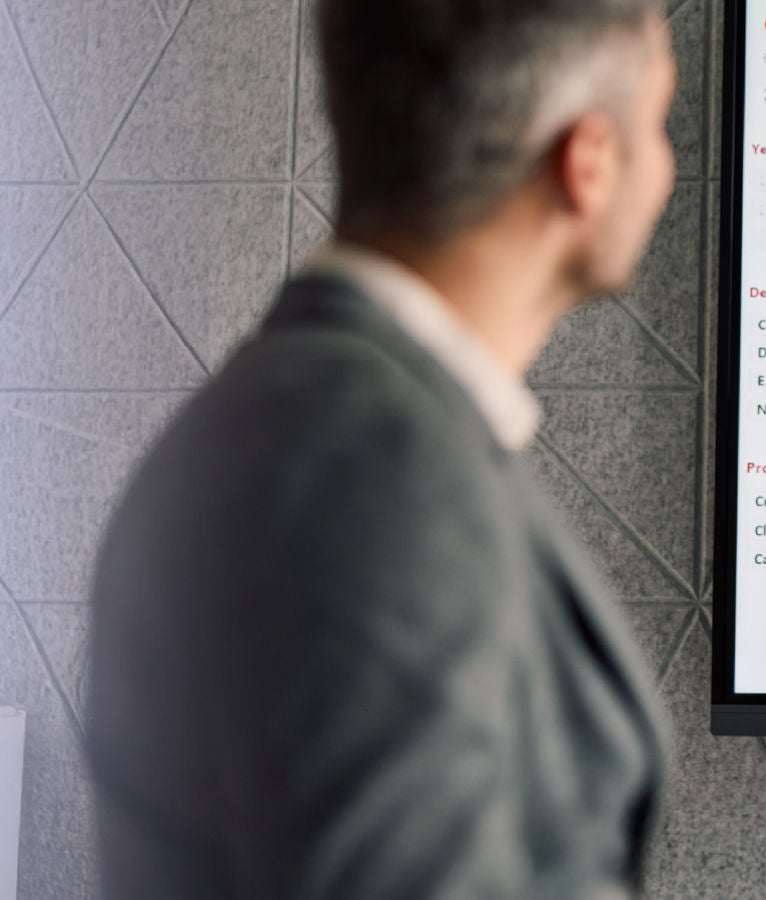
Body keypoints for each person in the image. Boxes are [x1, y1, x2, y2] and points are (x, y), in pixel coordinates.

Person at [86, 1, 677, 896]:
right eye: (662, 124)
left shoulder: (326, 417)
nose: (669, 167)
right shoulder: (367, 467)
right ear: (586, 164)